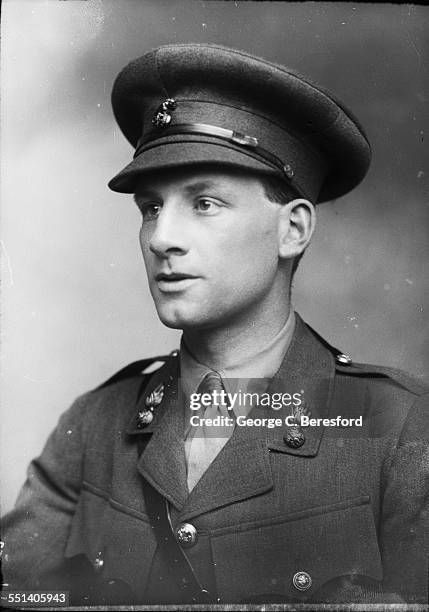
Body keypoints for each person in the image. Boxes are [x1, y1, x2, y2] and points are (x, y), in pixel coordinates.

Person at [2, 43, 428, 606]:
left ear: (292, 230)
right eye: (151, 207)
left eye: (204, 203)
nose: (161, 238)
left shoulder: (403, 428)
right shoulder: (94, 425)